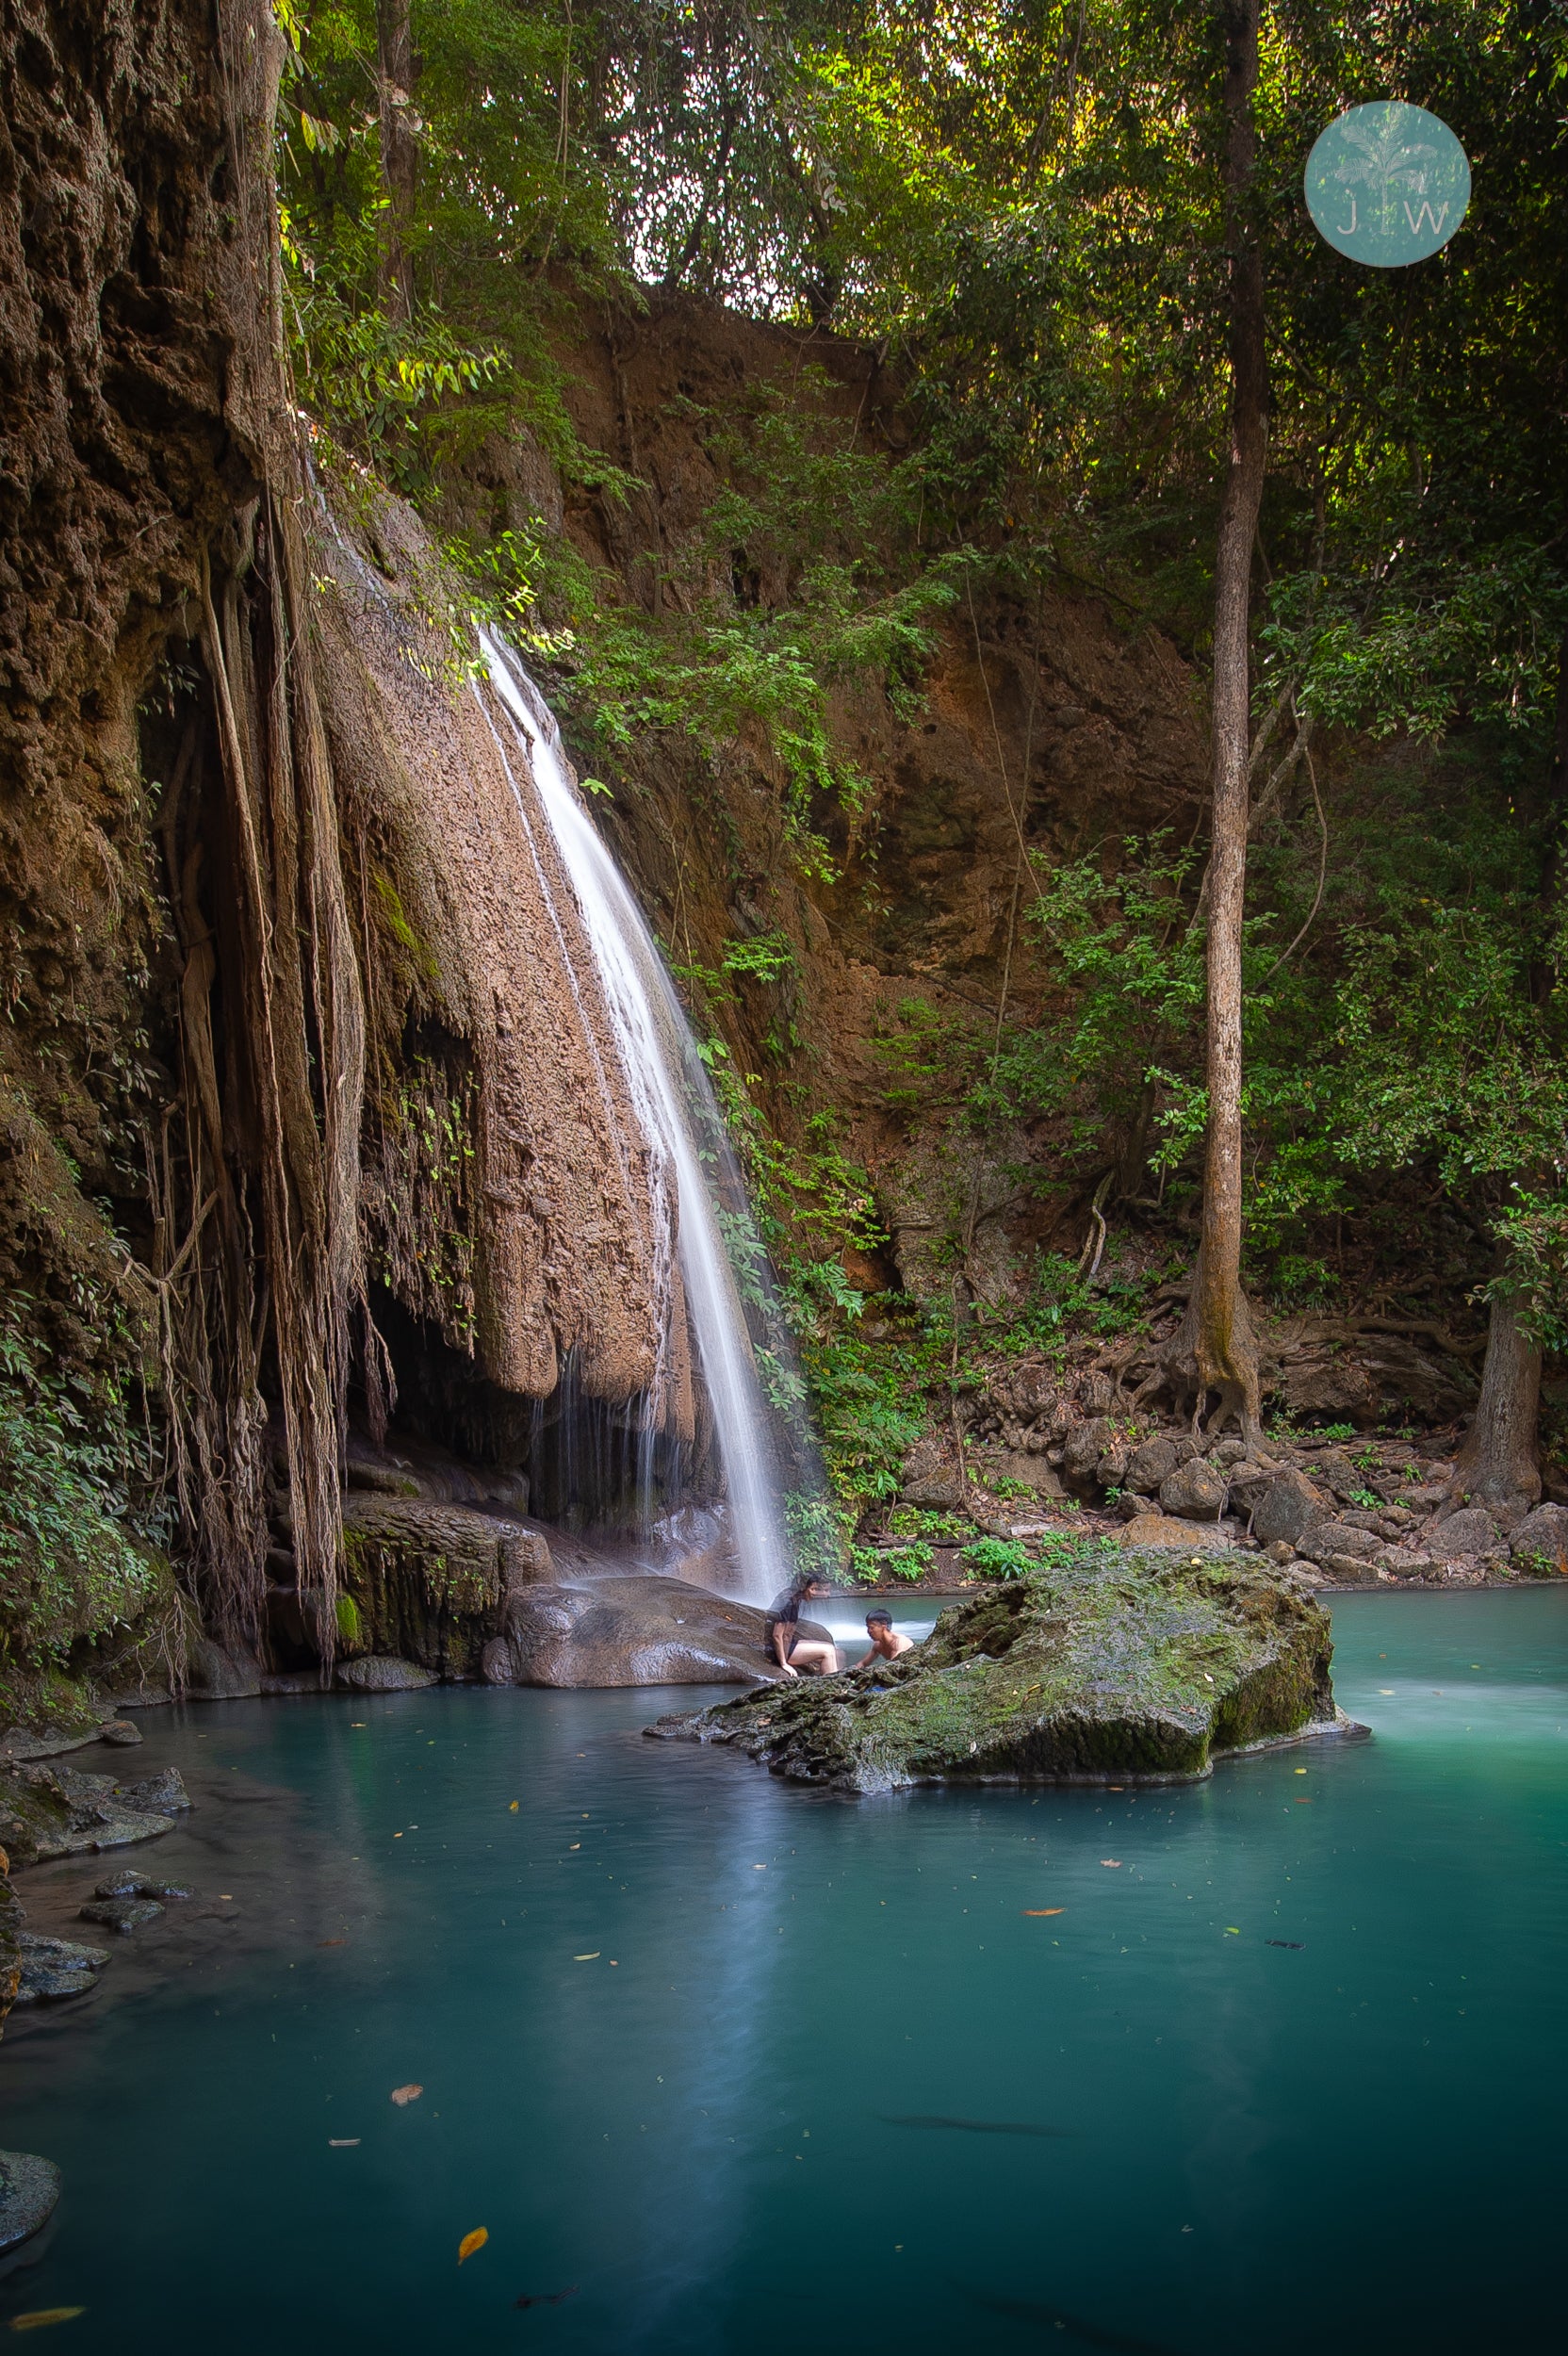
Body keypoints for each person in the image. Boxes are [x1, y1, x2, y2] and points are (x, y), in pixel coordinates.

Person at [762, 1573, 839, 1677]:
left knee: (830, 1648)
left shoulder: (794, 1599)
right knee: (828, 1651)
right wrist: (784, 1663)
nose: (815, 1593)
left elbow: (788, 1634)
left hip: (785, 1647)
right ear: (804, 1588)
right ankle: (832, 1688)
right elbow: (777, 1635)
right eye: (813, 1589)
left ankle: (830, 1682)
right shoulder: (788, 1601)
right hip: (775, 1651)